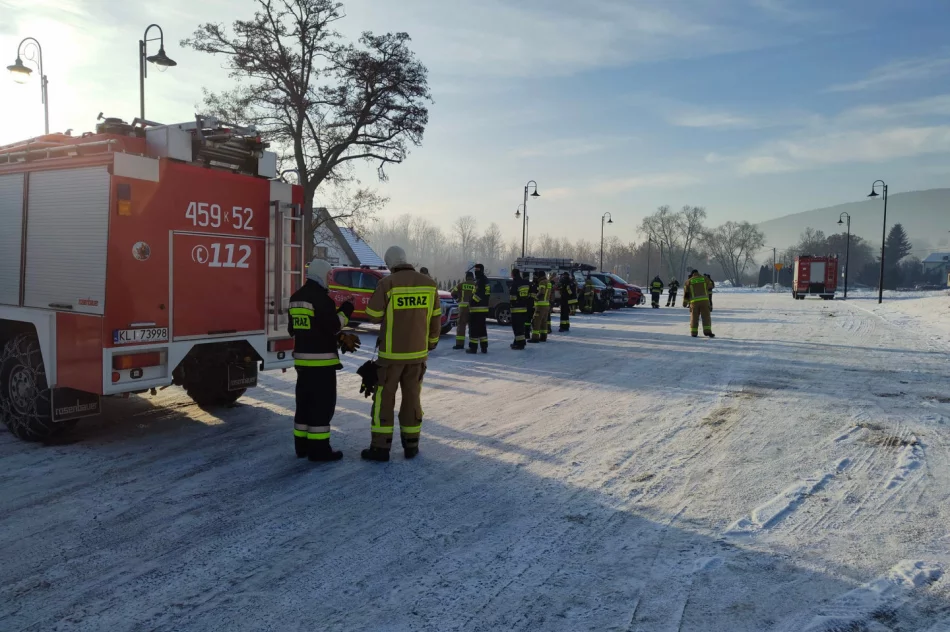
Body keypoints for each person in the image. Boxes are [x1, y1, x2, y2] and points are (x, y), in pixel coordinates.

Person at [361, 246, 441, 462]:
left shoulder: (387, 283)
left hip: (390, 357)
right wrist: (430, 344)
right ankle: (411, 444)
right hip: (417, 357)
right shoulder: (429, 284)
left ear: (390, 264)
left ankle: (380, 448)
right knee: (412, 399)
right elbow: (436, 320)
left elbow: (373, 315)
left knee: (384, 400)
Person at [288, 259, 358, 462]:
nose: (330, 279)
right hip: (322, 364)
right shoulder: (322, 300)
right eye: (328, 275)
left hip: (302, 363)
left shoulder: (296, 298)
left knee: (304, 405)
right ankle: (319, 450)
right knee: (321, 407)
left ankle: (301, 447)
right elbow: (334, 325)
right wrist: (347, 308)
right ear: (320, 274)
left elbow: (294, 330)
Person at [466, 263, 490, 354]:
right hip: (483, 308)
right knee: (482, 329)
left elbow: (479, 294)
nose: (476, 272)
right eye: (475, 270)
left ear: (481, 270)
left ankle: (473, 348)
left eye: (477, 270)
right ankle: (484, 347)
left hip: (477, 309)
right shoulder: (485, 280)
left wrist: (472, 302)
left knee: (474, 329)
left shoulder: (481, 281)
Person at [684, 269, 715, 338]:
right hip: (704, 301)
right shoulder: (704, 279)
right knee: (706, 317)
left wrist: (685, 303)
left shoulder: (688, 281)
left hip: (694, 303)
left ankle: (694, 332)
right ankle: (707, 331)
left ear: (692, 274)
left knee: (694, 318)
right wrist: (708, 279)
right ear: (698, 273)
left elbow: (686, 293)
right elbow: (711, 286)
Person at [451, 271, 475, 350]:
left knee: (461, 326)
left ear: (466, 277)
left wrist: (458, 298)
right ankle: (473, 344)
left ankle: (460, 344)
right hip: (473, 308)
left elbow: (453, 293)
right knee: (472, 326)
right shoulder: (476, 285)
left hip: (463, 308)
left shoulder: (461, 284)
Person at [509, 269, 530, 349]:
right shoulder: (525, 282)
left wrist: (512, 304)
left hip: (516, 309)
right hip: (524, 308)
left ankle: (520, 344)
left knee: (517, 328)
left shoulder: (515, 284)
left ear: (513, 274)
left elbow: (513, 297)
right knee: (521, 327)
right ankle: (518, 342)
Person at [530, 271, 552, 343]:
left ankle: (535, 338)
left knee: (536, 321)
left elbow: (542, 291)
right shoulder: (548, 282)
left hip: (540, 305)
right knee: (544, 322)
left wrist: (536, 297)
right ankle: (543, 337)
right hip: (546, 305)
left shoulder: (542, 282)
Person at [524, 270, 537, 342]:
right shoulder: (534, 285)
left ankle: (526, 334)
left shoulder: (526, 285)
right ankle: (533, 334)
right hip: (534, 305)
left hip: (528, 305)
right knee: (534, 320)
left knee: (527, 320)